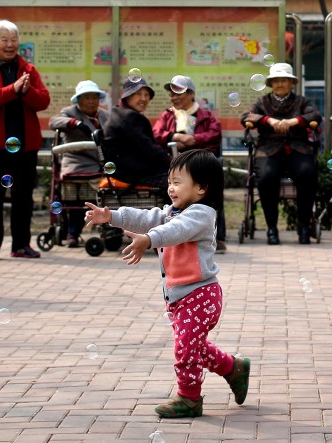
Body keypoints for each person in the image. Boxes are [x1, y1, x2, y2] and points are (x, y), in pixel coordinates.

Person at [83, 149, 250, 418]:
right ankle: (233, 368)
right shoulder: (173, 211)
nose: (171, 188)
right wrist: (111, 216)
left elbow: (174, 232)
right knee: (194, 346)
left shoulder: (201, 214)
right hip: (179, 296)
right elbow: (147, 217)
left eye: (178, 182)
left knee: (185, 348)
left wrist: (148, 239)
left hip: (200, 294)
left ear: (201, 187)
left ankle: (189, 399)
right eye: (170, 181)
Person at [0, 19, 50, 261]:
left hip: (25, 145)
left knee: (23, 197)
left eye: (14, 39)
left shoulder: (28, 69)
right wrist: (12, 90)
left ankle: (21, 244)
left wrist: (26, 91)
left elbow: (44, 101)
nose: (10, 44)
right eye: (4, 40)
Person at [241, 62, 322, 245]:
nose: (279, 84)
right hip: (269, 149)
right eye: (276, 81)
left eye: (284, 80)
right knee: (266, 177)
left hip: (297, 148)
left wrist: (294, 121)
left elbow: (315, 116)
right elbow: (246, 117)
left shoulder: (301, 101)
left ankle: (303, 226)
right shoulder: (262, 102)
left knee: (307, 174)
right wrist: (269, 121)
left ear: (291, 83)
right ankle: (271, 228)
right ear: (271, 84)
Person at [152, 75, 227, 253]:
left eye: (178, 93)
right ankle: (170, 233)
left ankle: (217, 236)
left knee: (211, 192)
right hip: (174, 164)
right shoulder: (168, 115)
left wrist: (194, 139)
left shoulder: (206, 115)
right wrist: (175, 136)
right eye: (171, 94)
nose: (174, 97)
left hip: (200, 165)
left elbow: (215, 134)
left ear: (191, 94)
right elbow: (156, 134)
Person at [49, 80, 109, 247]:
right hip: (76, 163)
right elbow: (54, 122)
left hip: (101, 164)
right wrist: (75, 123)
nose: (91, 101)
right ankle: (72, 233)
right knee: (75, 198)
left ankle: (111, 230)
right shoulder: (69, 112)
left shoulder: (105, 115)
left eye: (95, 97)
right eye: (87, 97)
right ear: (79, 100)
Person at [101, 77, 170, 188]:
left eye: (146, 94)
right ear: (128, 97)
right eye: (138, 94)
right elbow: (147, 148)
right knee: (177, 181)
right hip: (131, 174)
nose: (143, 98)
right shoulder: (130, 117)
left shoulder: (118, 112)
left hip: (123, 170)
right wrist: (171, 160)